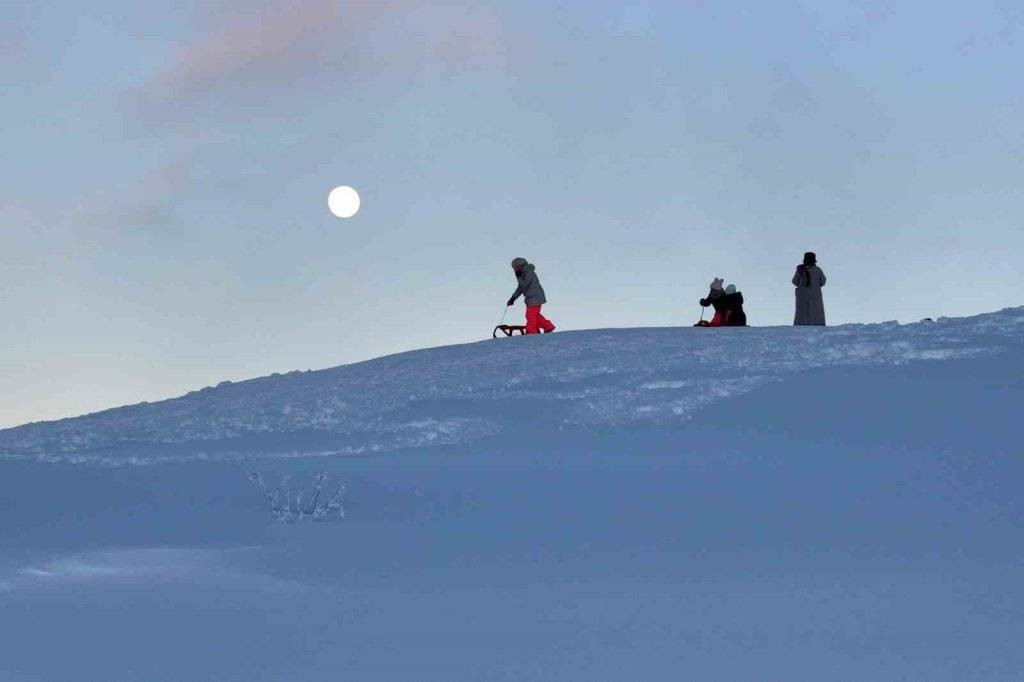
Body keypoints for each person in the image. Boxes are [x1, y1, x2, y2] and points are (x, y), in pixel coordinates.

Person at [507, 257, 555, 334]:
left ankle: (531, 332)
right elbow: (521, 287)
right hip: (532, 297)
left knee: (530, 315)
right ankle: (548, 326)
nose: (514, 269)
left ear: (519, 265)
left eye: (514, 267)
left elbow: (525, 284)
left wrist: (519, 277)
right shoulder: (523, 273)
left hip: (535, 296)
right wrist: (513, 298)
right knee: (535, 315)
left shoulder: (528, 271)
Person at [792, 251, 826, 326]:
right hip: (815, 294)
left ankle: (800, 325)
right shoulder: (818, 270)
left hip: (802, 295)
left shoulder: (800, 269)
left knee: (802, 312)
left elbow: (795, 281)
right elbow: (823, 281)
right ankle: (817, 325)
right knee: (816, 312)